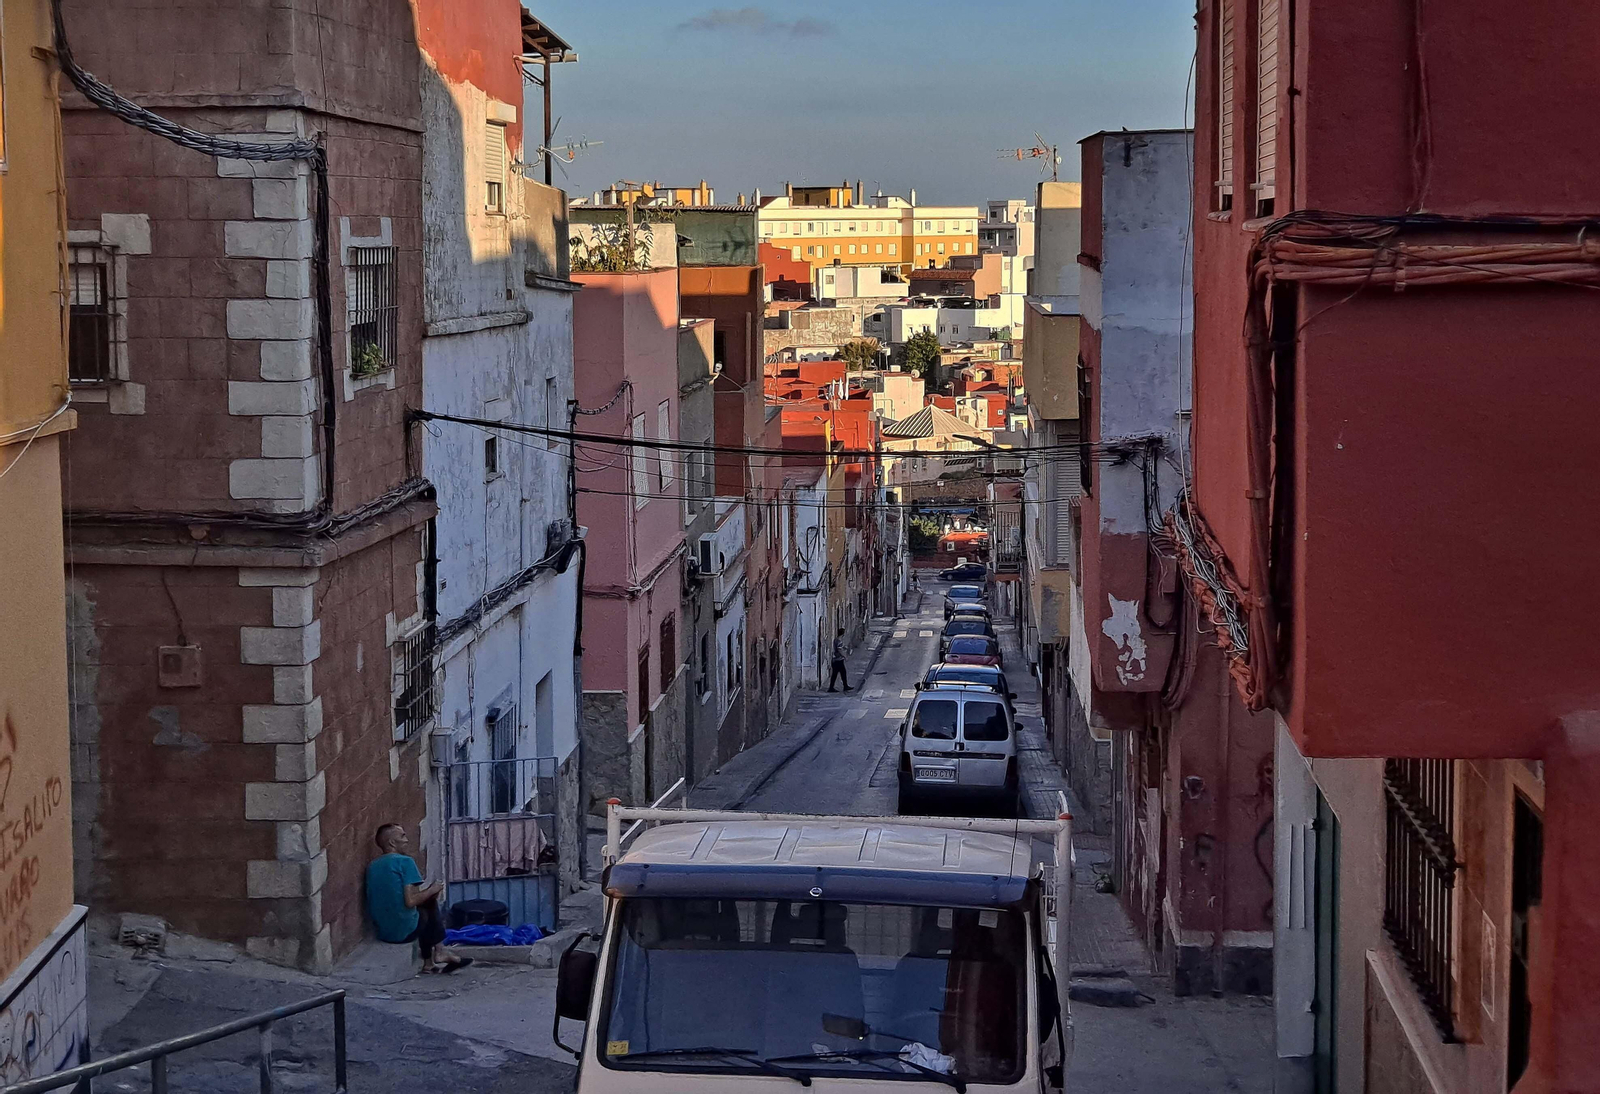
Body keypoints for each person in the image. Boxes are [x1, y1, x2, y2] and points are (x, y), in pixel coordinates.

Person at [366, 822, 472, 974]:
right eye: (402, 836)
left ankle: (429, 963)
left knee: (424, 911)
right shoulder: (405, 862)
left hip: (384, 932)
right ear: (392, 842)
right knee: (429, 904)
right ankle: (440, 952)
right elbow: (411, 901)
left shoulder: (373, 866)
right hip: (403, 932)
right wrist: (433, 889)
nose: (406, 840)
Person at [828, 627, 851, 692]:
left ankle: (833, 687)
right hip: (838, 660)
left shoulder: (835, 640)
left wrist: (844, 647)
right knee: (842, 673)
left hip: (835, 660)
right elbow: (840, 650)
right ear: (843, 634)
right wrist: (845, 656)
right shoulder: (839, 641)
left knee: (836, 674)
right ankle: (844, 686)